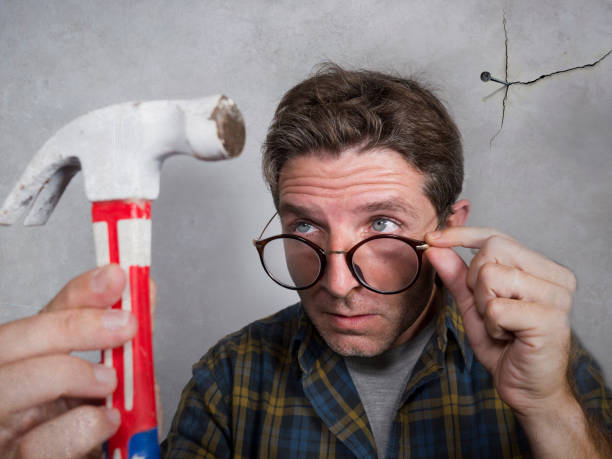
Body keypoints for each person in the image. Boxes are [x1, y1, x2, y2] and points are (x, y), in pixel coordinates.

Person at [0, 64, 610, 458]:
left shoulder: (544, 363)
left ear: (451, 227)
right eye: (306, 227)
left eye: (382, 225)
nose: (339, 285)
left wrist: (548, 409)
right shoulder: (230, 380)